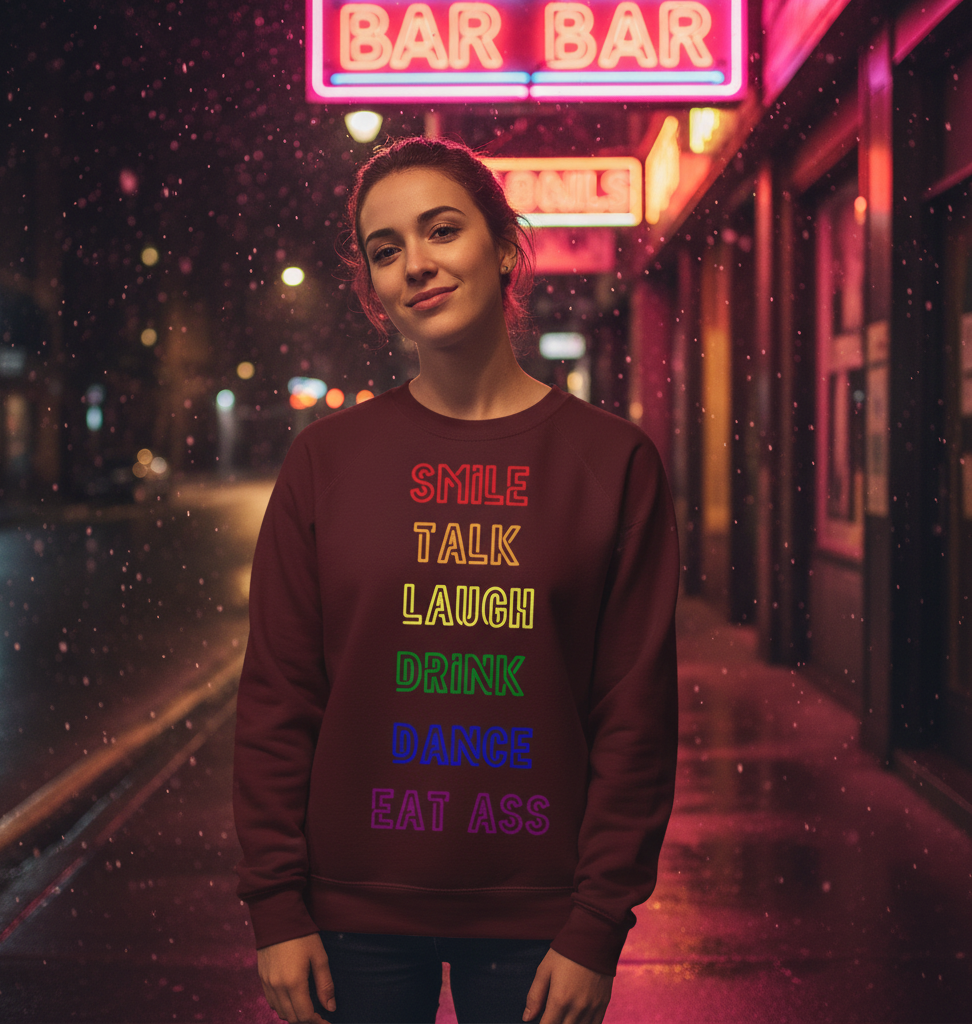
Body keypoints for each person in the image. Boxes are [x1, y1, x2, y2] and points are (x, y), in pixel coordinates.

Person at [232, 136, 680, 1024]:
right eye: (385, 249)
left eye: (441, 231)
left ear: (505, 247)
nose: (415, 265)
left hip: (540, 915)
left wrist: (598, 922)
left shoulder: (610, 461)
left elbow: (633, 711)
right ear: (372, 287)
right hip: (349, 911)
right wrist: (275, 905)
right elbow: (279, 695)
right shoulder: (327, 462)